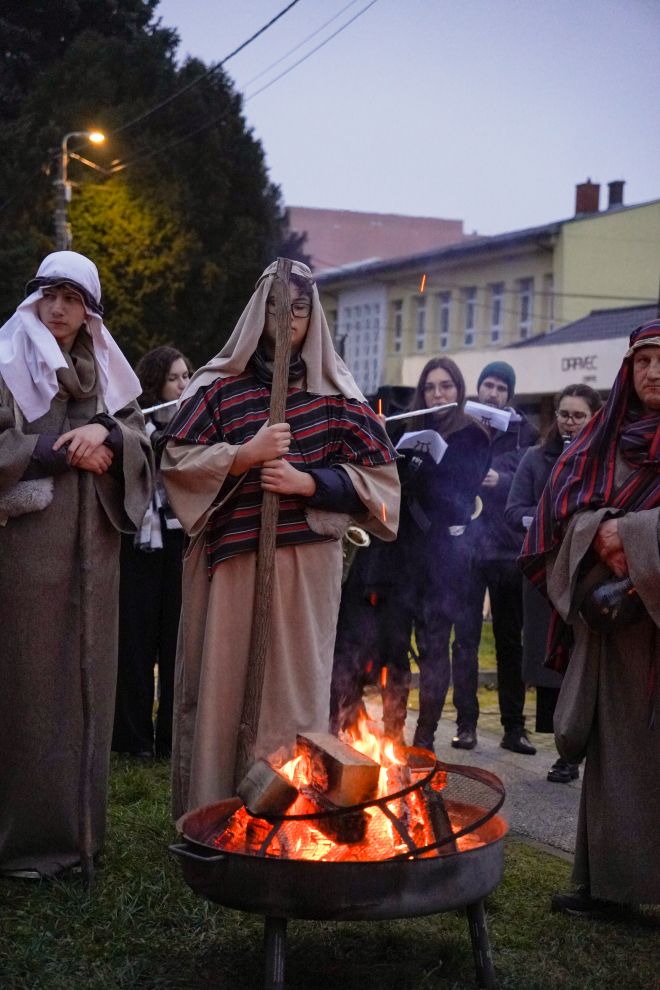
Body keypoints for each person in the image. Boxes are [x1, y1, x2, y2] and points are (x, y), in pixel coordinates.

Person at [160, 260, 400, 816]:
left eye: (299, 307)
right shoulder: (217, 390)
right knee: (224, 690)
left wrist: (309, 482)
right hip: (235, 565)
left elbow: (384, 489)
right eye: (276, 306)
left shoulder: (338, 396)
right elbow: (176, 461)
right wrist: (242, 456)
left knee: (293, 692)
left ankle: (290, 819)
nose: (287, 319)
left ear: (312, 314)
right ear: (257, 312)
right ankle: (215, 810)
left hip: (306, 569)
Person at [0, 251, 153, 879]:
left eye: (72, 298)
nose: (59, 308)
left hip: (96, 551)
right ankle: (27, 845)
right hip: (28, 554)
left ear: (89, 309)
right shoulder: (6, 364)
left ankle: (82, 838)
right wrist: (61, 452)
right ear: (34, 301)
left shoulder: (106, 372)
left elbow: (143, 437)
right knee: (30, 686)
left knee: (90, 682)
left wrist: (109, 438)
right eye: (49, 296)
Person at [520, 320, 660, 916]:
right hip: (618, 637)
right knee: (619, 762)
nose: (655, 372)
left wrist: (632, 533)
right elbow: (556, 513)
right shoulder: (602, 440)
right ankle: (613, 888)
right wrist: (594, 532)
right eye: (644, 361)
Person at [330, 357, 491, 751]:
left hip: (443, 560)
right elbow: (388, 485)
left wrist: (419, 468)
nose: (438, 395)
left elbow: (457, 495)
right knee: (395, 650)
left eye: (446, 387)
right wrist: (385, 442)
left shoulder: (473, 436)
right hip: (401, 562)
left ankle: (425, 739)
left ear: (458, 390)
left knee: (435, 648)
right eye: (431, 387)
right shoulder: (409, 429)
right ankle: (392, 738)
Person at [505, 384, 602, 782]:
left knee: (586, 663)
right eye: (564, 414)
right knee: (552, 663)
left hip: (591, 575)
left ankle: (584, 751)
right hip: (547, 574)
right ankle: (565, 750)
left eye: (579, 415)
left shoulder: (604, 458)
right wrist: (545, 524)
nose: (569, 422)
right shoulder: (534, 458)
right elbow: (514, 511)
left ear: (594, 417)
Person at [112, 346, 192, 759]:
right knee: (136, 642)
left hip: (180, 543)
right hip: (139, 544)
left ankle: (171, 742)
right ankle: (133, 741)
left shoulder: (193, 426)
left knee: (175, 642)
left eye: (186, 377)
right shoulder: (133, 423)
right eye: (176, 378)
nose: (183, 384)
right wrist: (147, 446)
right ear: (156, 383)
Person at [461, 361, 539, 753]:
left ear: (509, 395)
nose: (492, 393)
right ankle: (465, 724)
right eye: (487, 385)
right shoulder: (463, 424)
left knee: (510, 641)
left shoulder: (527, 434)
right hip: (469, 549)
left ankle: (513, 727)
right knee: (466, 639)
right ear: (478, 389)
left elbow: (536, 480)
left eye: (500, 388)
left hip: (508, 550)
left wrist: (502, 480)